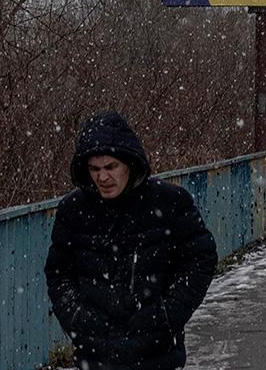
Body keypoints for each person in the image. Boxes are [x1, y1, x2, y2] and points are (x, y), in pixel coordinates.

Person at [45, 110, 218, 370]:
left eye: (111, 167)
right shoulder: (74, 210)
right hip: (95, 357)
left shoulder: (169, 202)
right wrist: (77, 318)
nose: (102, 177)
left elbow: (201, 259)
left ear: (129, 163)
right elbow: (58, 273)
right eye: (94, 169)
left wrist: (166, 315)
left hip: (156, 356)